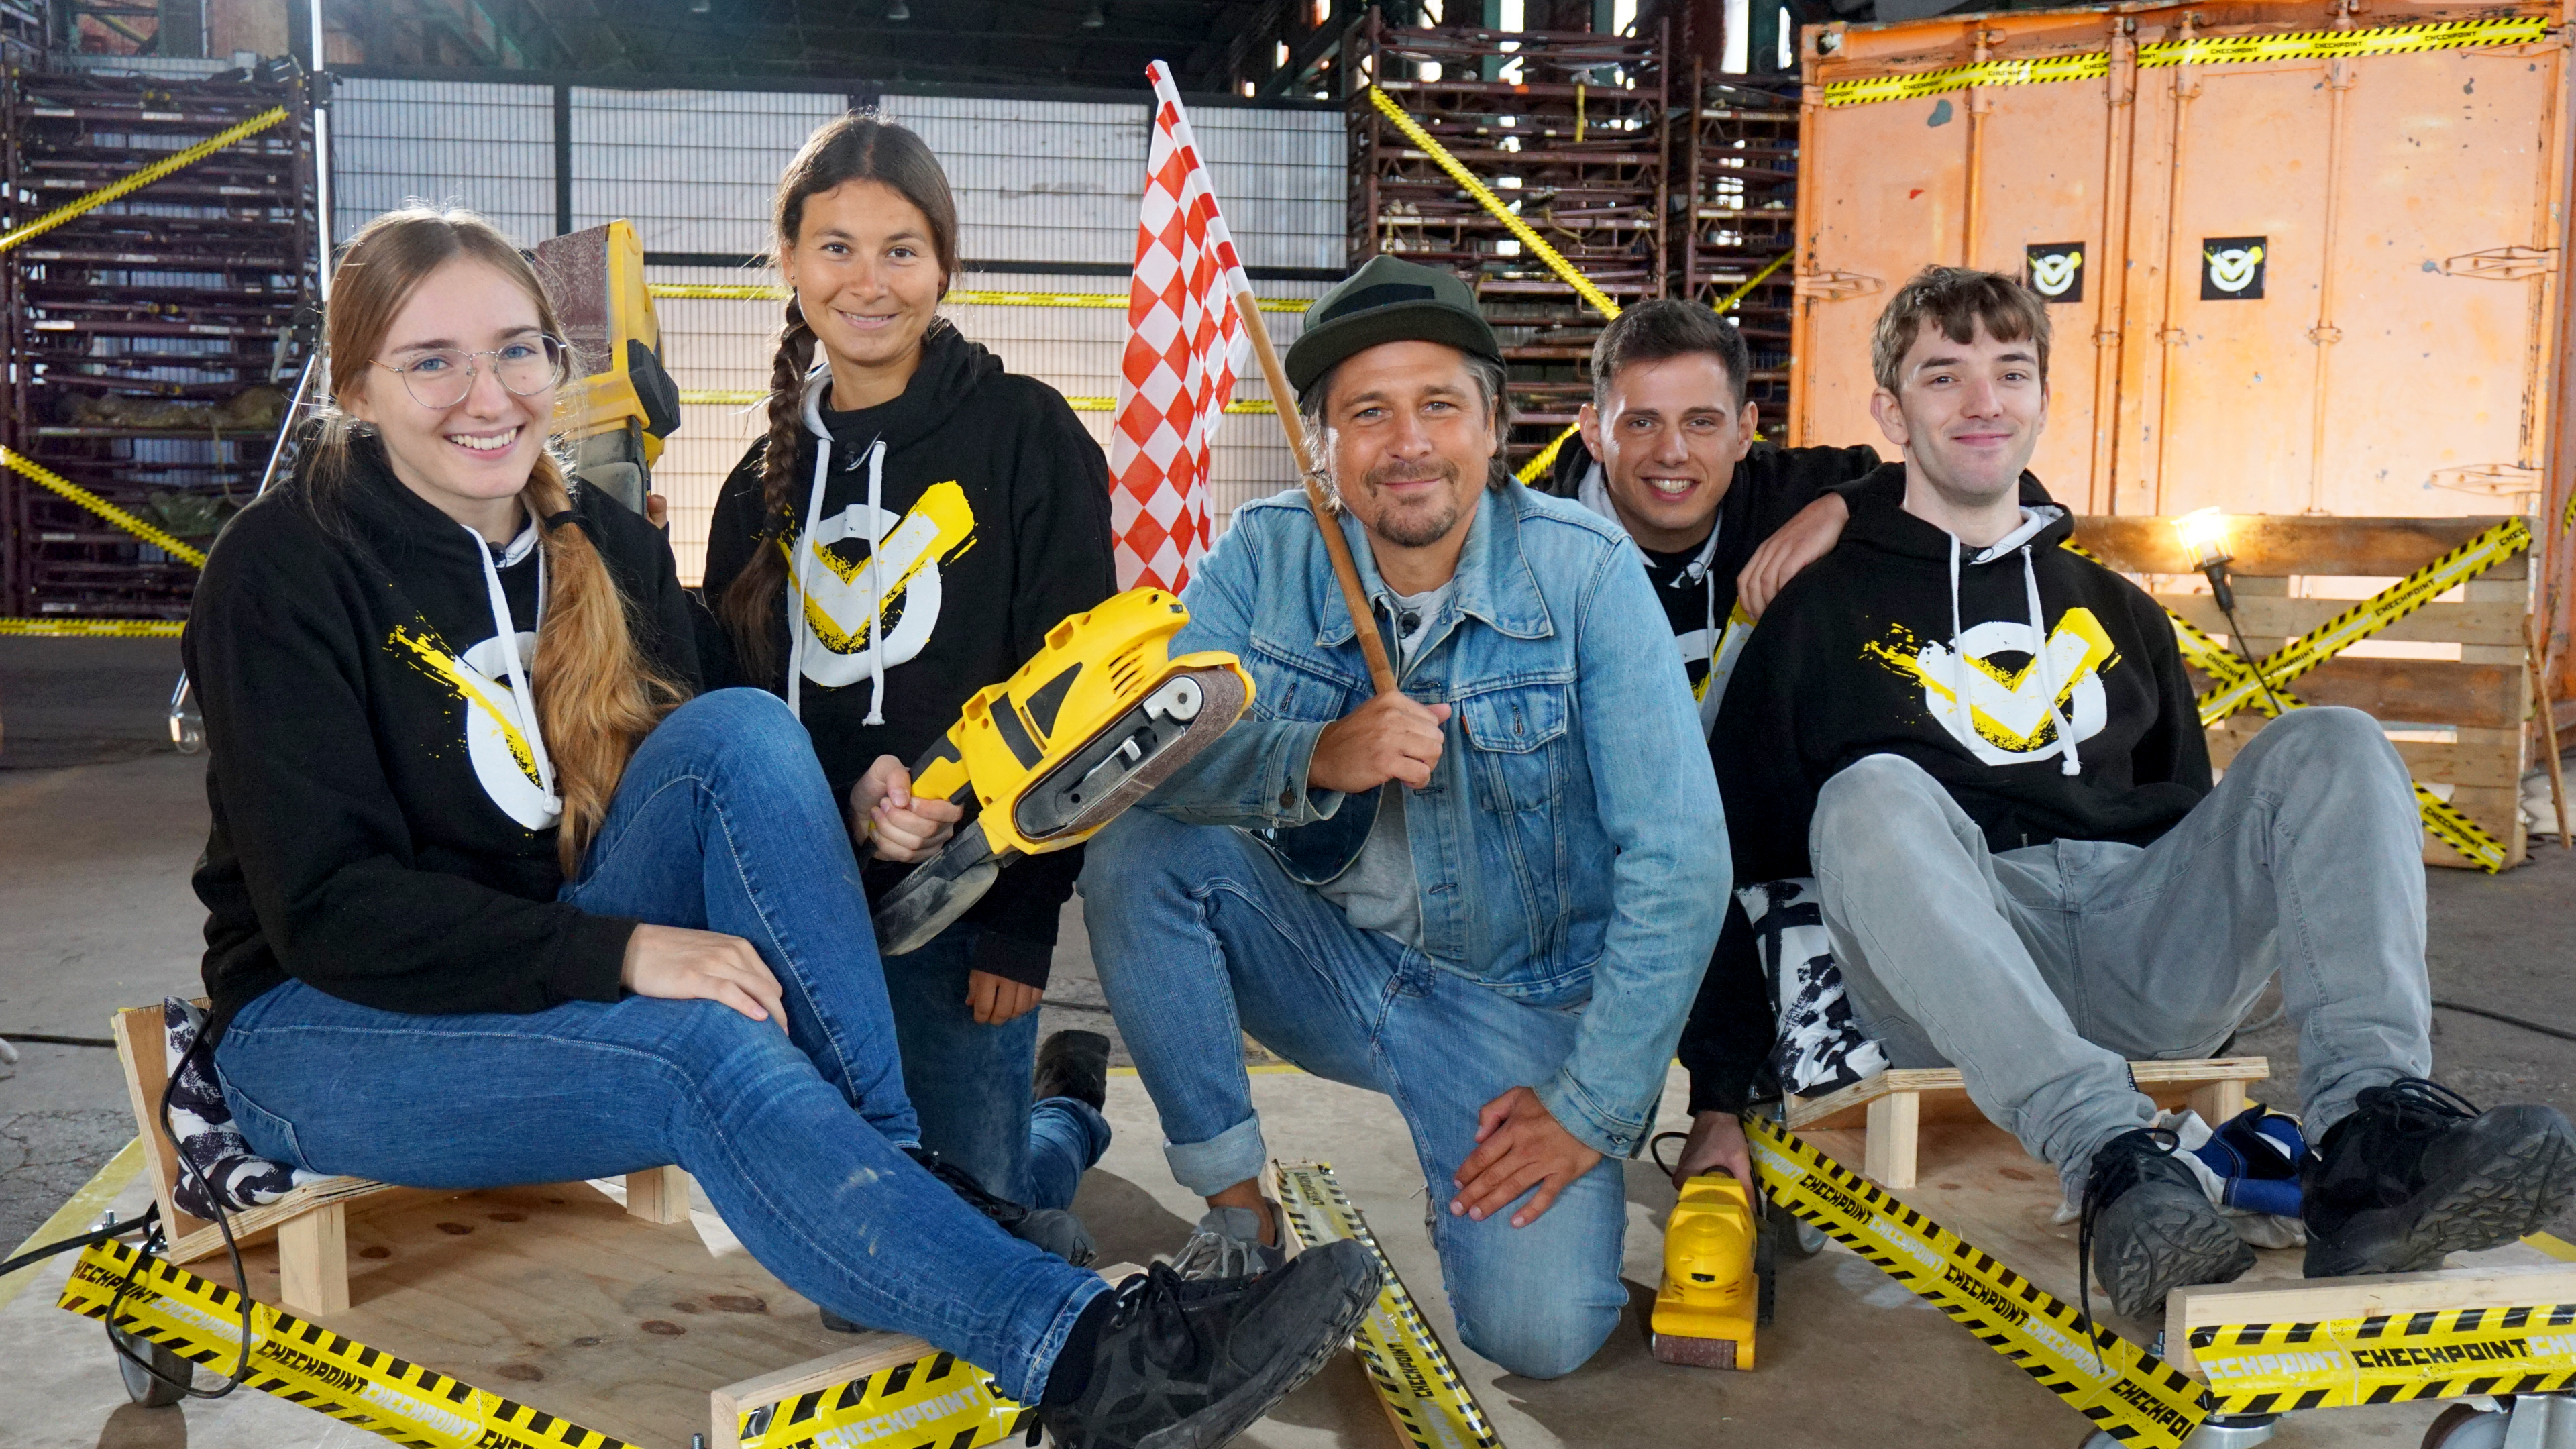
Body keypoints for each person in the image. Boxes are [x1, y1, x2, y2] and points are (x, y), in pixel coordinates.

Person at [187, 205, 1379, 1444]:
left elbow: (737, 777)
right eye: (432, 361)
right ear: (357, 388)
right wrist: (625, 953)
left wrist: (853, 796)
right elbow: (330, 911)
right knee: (705, 1055)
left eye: (515, 351)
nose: (486, 397)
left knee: (748, 732)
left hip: (537, 951)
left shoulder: (606, 546)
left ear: (556, 361)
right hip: (323, 1021)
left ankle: (891, 1172)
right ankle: (1095, 1361)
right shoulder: (280, 569)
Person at [1692, 264, 2576, 1318]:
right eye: (1943, 376)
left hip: (2141, 937)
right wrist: (1719, 1100)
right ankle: (2112, 1160)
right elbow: (1735, 861)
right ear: (1891, 413)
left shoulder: (2117, 609)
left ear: (2042, 400)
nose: (1982, 402)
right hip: (1960, 959)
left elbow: (2187, 810)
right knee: (1871, 793)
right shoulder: (1816, 614)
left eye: (2010, 372)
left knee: (2332, 740)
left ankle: (2372, 1138)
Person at [1079, 255, 1728, 1379]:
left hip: (1519, 1009)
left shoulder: (1585, 575)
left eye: (1439, 405)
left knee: (1542, 1338)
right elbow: (1155, 766)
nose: (1408, 443)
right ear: (1322, 446)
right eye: (1368, 413)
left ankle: (1462, 1151)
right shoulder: (1263, 554)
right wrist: (1318, 755)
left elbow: (1680, 863)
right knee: (1140, 852)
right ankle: (1239, 1221)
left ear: (1495, 426)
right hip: (1330, 972)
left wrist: (1589, 1109)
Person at [700, 114, 1116, 1228]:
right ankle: (1055, 1117)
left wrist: (1023, 925)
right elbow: (737, 713)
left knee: (973, 1226)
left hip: (966, 900)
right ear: (789, 262)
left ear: (945, 266)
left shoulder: (1028, 436)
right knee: (852, 1247)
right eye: (836, 247)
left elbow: (1077, 696)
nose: (869, 282)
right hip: (805, 907)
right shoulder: (755, 485)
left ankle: (1065, 1117)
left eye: (901, 249)